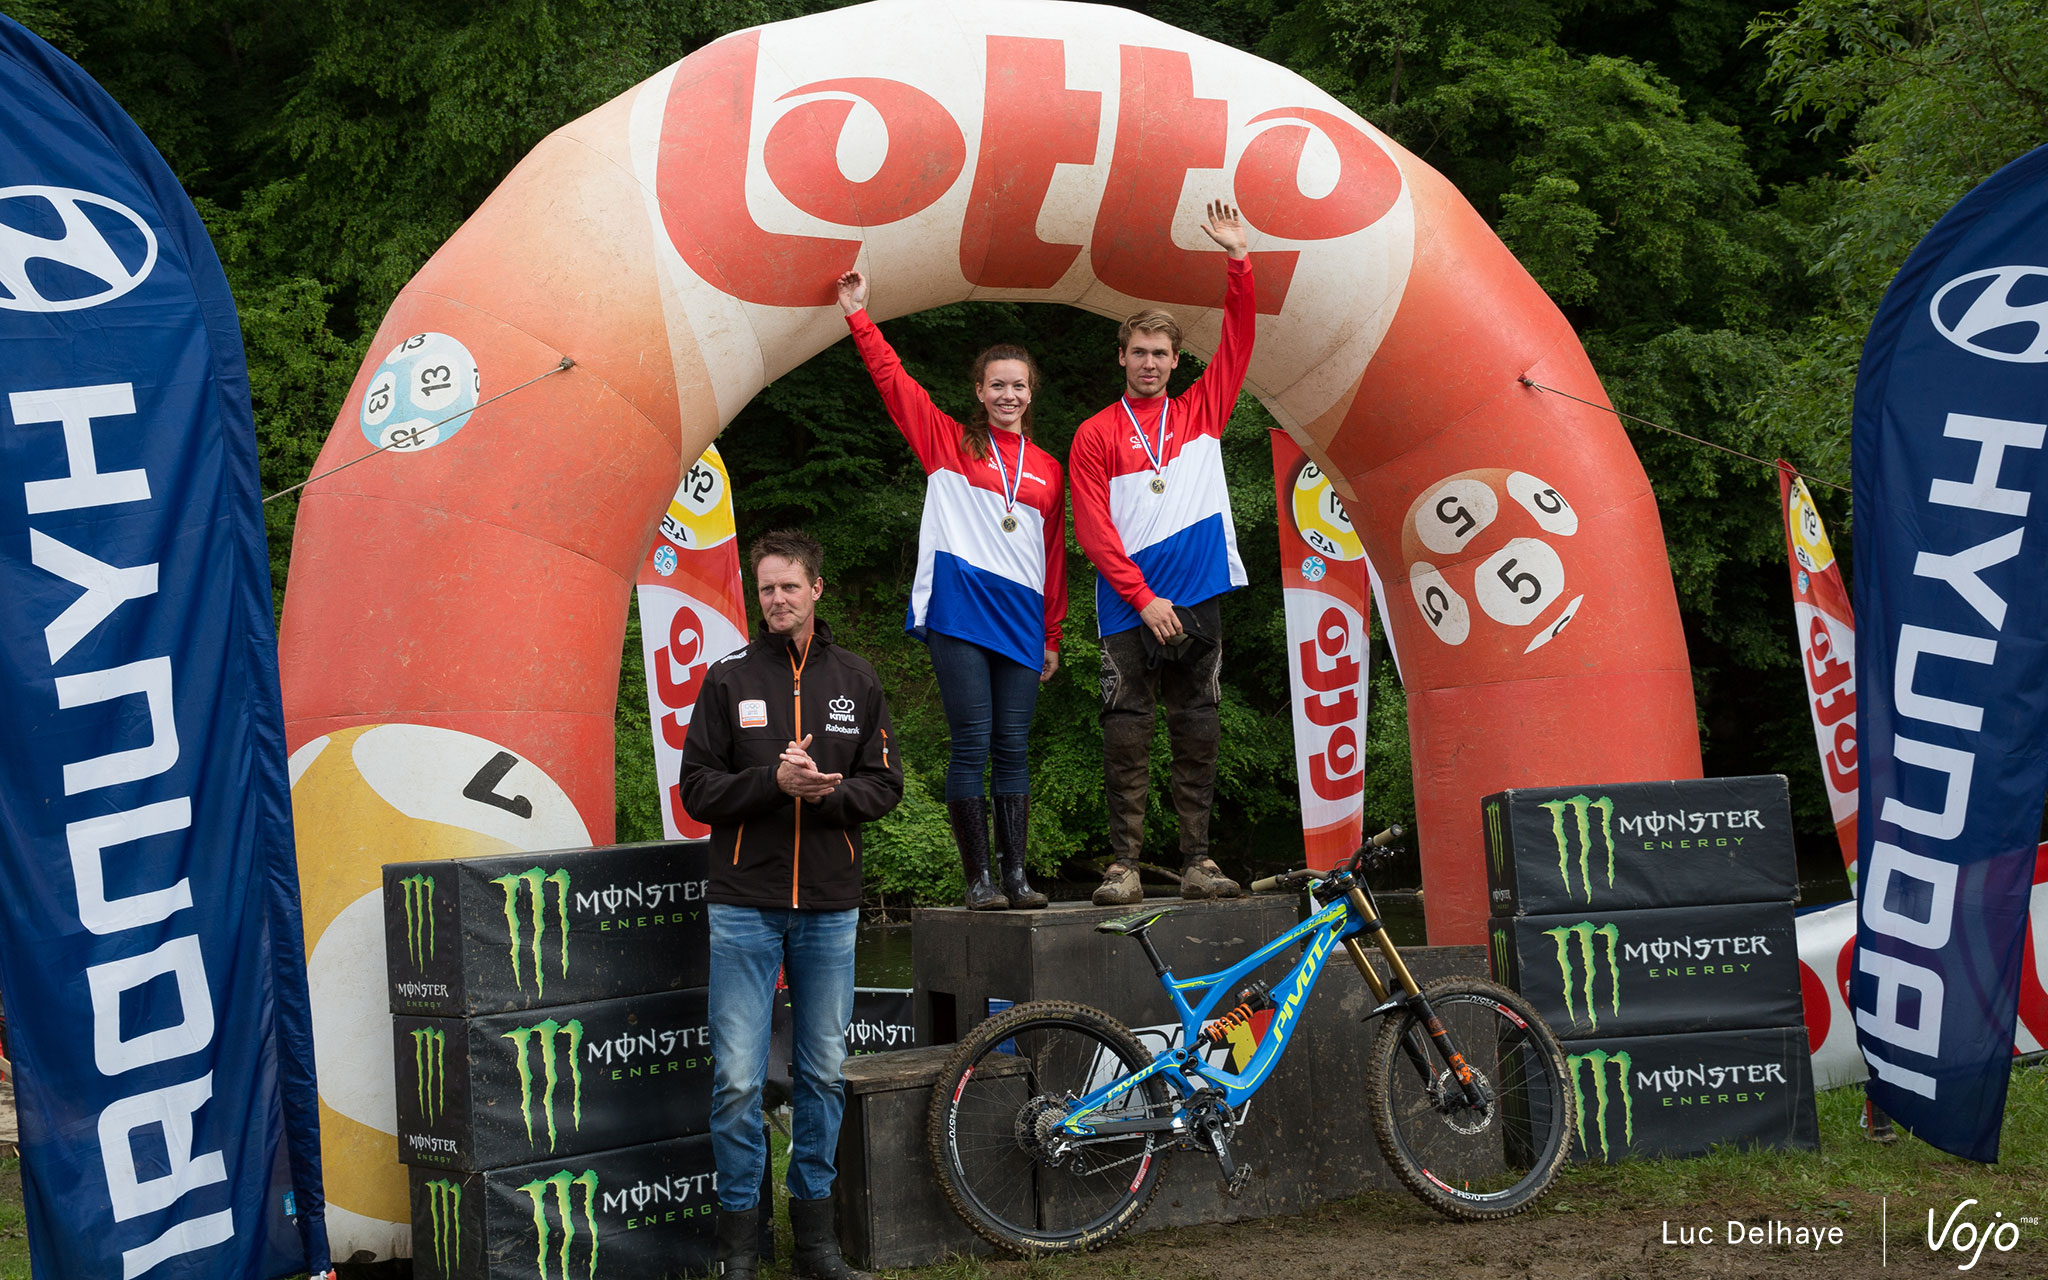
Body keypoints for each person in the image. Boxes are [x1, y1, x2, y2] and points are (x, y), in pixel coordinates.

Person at [678, 529, 902, 1280]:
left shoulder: (858, 679)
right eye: (766, 588)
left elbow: (886, 785)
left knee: (823, 1074)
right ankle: (740, 1246)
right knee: (738, 1078)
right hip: (744, 903)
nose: (777, 599)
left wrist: (830, 794)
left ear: (816, 590)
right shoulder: (727, 678)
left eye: (789, 586)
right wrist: (771, 784)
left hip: (830, 908)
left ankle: (816, 1244)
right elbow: (698, 791)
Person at [834, 268, 1066, 911]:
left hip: (1022, 622)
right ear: (980, 391)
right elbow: (894, 383)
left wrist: (1052, 633)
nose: (1009, 395)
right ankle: (979, 881)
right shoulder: (948, 442)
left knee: (1013, 748)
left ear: (1031, 393)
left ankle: (1017, 879)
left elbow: (1052, 558)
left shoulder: (1049, 468)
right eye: (998, 385)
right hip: (960, 612)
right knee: (973, 742)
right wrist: (859, 316)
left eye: (1019, 386)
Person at [1069, 200, 1255, 906]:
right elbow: (1092, 530)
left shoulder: (1204, 410)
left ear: (1177, 362)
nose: (1149, 363)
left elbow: (1239, 338)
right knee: (1125, 736)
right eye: (1138, 352)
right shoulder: (1094, 434)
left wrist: (1238, 260)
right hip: (1127, 604)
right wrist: (1144, 598)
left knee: (1198, 729)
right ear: (1121, 357)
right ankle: (1123, 865)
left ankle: (1199, 862)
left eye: (1161, 354)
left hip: (1200, 591)